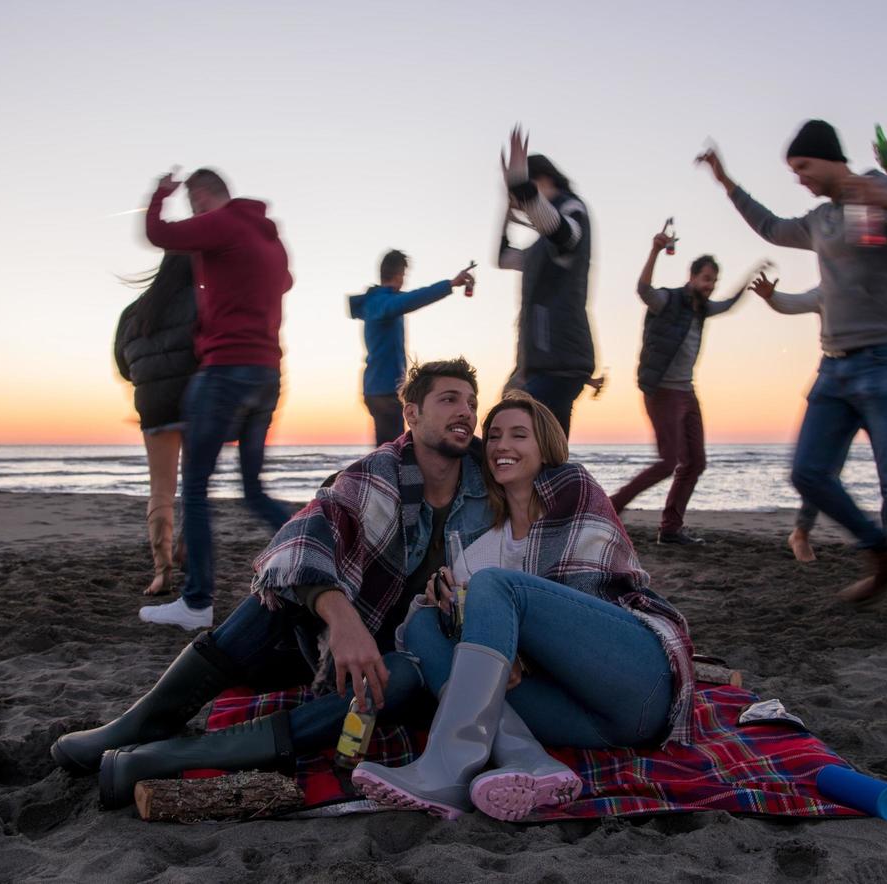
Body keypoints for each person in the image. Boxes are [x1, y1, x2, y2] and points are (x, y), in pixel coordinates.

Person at [50, 359, 496, 809]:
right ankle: (141, 724)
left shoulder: (492, 483)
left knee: (396, 677)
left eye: (473, 403)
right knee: (277, 600)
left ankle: (173, 754)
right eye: (449, 399)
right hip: (335, 646)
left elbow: (549, 496)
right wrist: (341, 619)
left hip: (415, 655)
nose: (466, 411)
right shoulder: (374, 475)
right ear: (412, 414)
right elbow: (299, 543)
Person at [352, 392, 697, 821]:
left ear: (545, 446)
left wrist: (523, 651)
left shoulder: (573, 489)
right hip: (592, 723)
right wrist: (446, 611)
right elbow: (463, 637)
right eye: (493, 436)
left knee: (494, 587)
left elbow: (594, 594)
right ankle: (530, 761)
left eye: (519, 434)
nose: (501, 446)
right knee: (423, 621)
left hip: (636, 682)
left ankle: (447, 765)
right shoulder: (481, 551)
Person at [696, 120, 887, 638]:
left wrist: (882, 192)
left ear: (831, 159)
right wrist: (727, 183)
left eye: (803, 167)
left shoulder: (880, 192)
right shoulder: (819, 220)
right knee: (808, 472)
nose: (799, 179)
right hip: (834, 365)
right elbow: (770, 226)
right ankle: (882, 554)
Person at [140, 167, 294, 630]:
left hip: (225, 369)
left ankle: (197, 602)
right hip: (266, 373)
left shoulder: (222, 222)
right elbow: (283, 283)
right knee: (252, 490)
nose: (195, 216)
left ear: (203, 196)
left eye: (194, 205)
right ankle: (319, 551)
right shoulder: (268, 238)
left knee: (197, 490)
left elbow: (157, 233)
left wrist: (159, 195)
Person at [610, 229, 750, 545]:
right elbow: (643, 289)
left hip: (687, 392)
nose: (710, 285)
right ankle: (610, 507)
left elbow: (727, 304)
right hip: (661, 390)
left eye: (714, 280)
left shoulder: (703, 309)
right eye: (706, 279)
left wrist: (750, 283)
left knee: (695, 462)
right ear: (692, 277)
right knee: (667, 461)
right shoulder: (668, 300)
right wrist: (655, 251)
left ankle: (670, 529)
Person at [748, 275, 887, 564]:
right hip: (837, 382)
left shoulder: (886, 281)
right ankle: (802, 532)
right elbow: (796, 302)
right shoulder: (830, 288)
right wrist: (771, 297)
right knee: (821, 468)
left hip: (884, 378)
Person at [497, 127, 596, 437]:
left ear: (544, 182)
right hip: (537, 362)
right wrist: (509, 208)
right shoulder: (540, 248)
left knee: (521, 435)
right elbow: (503, 258)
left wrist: (523, 189)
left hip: (560, 360)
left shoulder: (572, 208)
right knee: (542, 447)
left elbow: (564, 233)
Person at [114, 254, 198, 594]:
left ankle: (161, 573)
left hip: (154, 407)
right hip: (195, 402)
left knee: (161, 489)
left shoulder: (133, 312)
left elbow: (122, 364)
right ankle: (187, 547)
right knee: (195, 484)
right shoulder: (203, 300)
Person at [348, 250, 476, 445]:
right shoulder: (380, 303)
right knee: (394, 451)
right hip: (382, 390)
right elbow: (411, 300)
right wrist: (450, 284)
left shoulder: (382, 301)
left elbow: (412, 298)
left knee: (394, 448)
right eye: (404, 275)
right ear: (399, 275)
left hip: (384, 389)